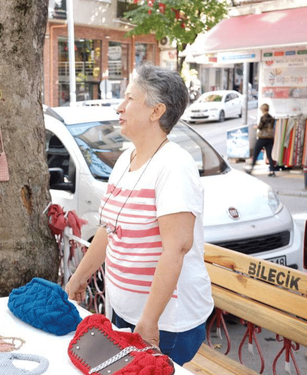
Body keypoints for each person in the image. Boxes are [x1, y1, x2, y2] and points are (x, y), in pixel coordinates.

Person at [65, 64, 214, 366]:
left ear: (156, 111)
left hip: (164, 322)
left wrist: (149, 320)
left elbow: (176, 248)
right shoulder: (124, 159)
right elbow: (109, 229)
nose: (120, 107)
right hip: (125, 312)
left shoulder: (174, 166)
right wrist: (79, 278)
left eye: (130, 99)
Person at [248, 103, 276, 177]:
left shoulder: (263, 117)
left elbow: (260, 127)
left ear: (263, 110)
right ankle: (272, 171)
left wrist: (256, 127)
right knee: (269, 155)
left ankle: (251, 169)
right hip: (270, 138)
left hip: (262, 138)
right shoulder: (272, 118)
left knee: (256, 153)